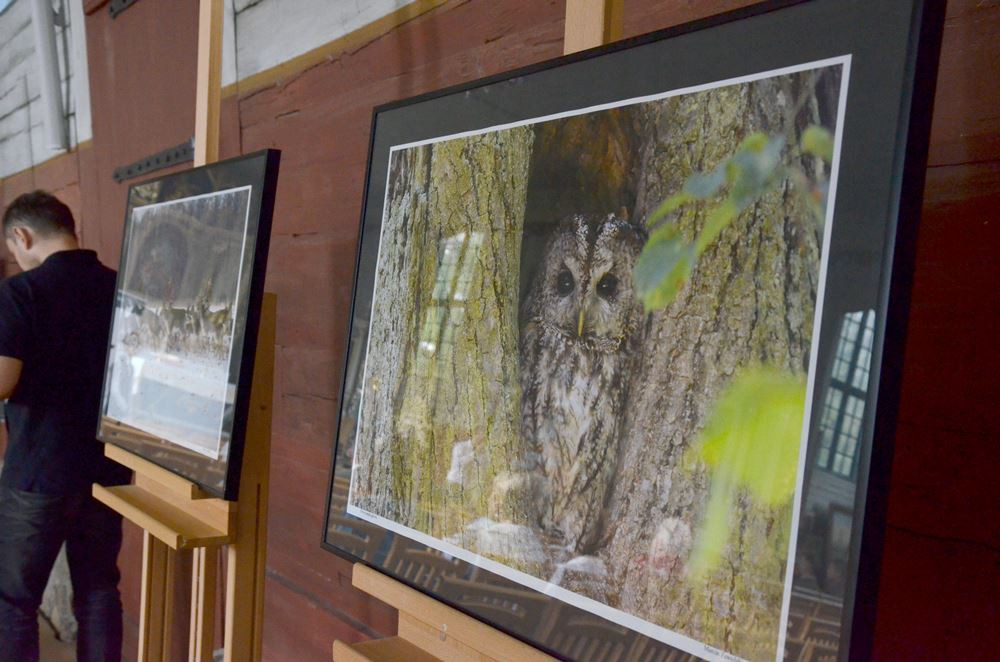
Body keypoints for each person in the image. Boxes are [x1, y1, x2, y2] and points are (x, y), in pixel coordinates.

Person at [0, 191, 130, 662]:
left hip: (39, 472)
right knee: (98, 589)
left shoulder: (20, 292)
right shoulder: (121, 286)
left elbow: (2, 382)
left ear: (22, 235)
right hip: (109, 465)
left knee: (13, 601)